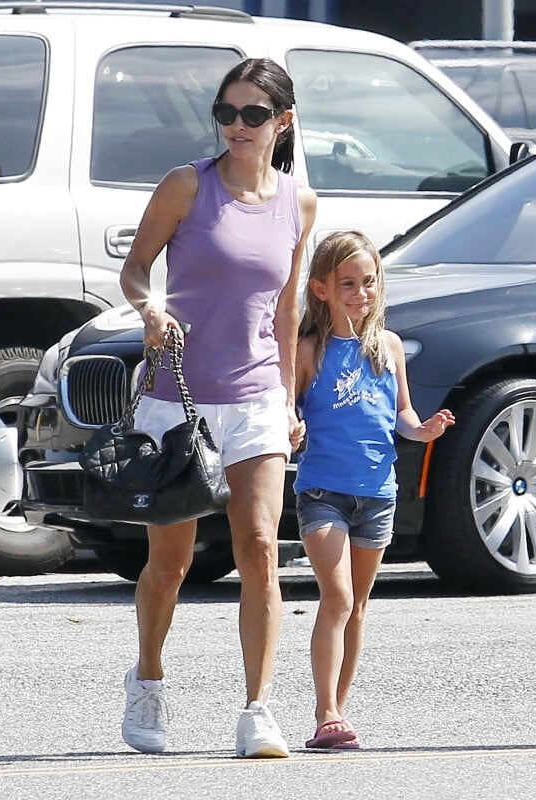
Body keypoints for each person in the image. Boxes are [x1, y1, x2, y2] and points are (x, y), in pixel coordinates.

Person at [118, 57, 317, 757]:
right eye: (227, 113)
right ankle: (147, 679)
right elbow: (136, 267)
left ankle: (258, 709)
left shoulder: (300, 201)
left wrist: (290, 397)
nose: (237, 125)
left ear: (282, 122)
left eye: (253, 115)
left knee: (261, 549)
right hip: (178, 397)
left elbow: (287, 308)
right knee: (170, 564)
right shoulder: (186, 186)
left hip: (258, 395)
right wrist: (151, 309)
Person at [293, 230, 455, 750]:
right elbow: (289, 408)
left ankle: (338, 711)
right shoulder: (310, 350)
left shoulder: (387, 347)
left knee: (357, 604)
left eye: (369, 282)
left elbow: (401, 414)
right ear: (321, 289)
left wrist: (422, 429)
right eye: (348, 284)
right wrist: (291, 425)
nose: (361, 293)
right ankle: (325, 711)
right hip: (324, 491)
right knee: (336, 596)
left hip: (378, 492)